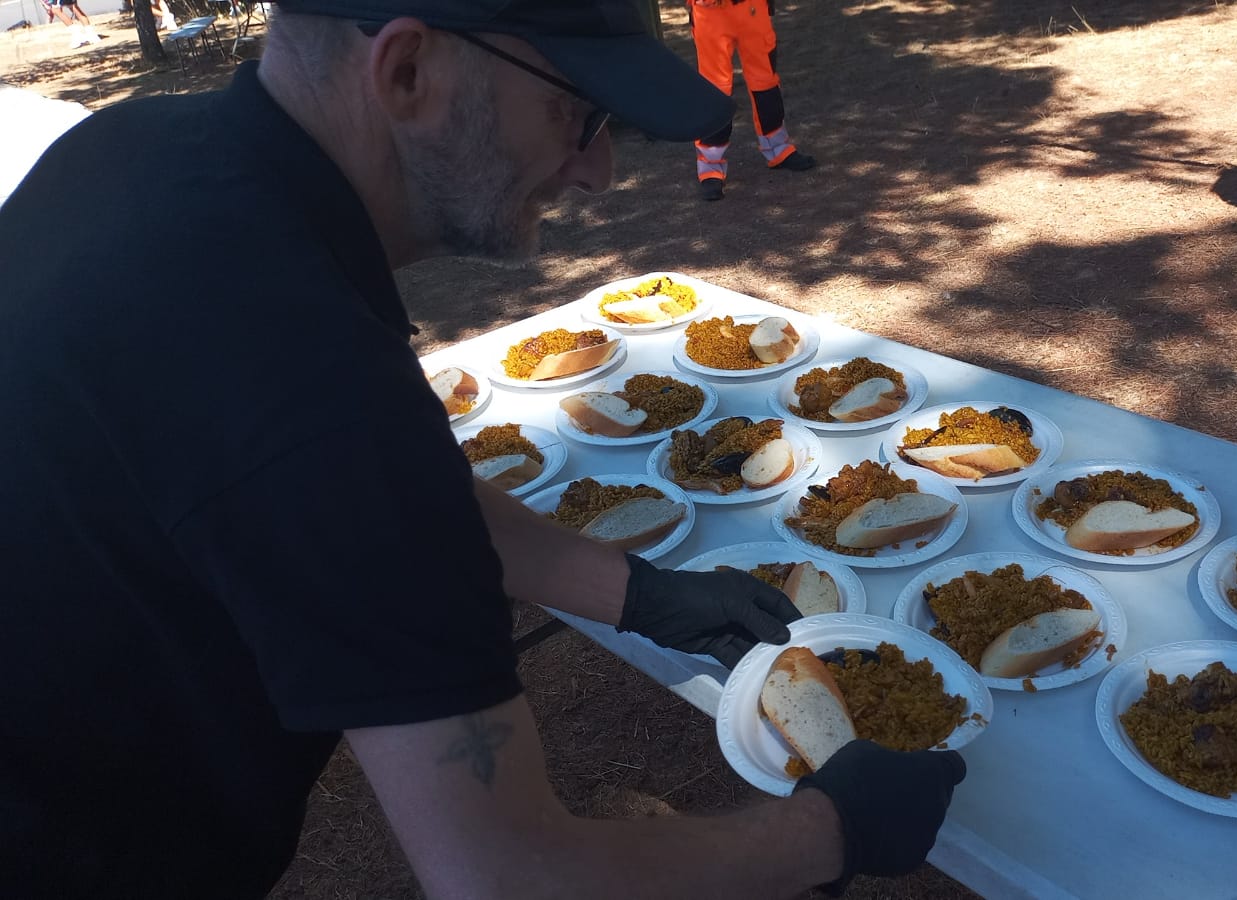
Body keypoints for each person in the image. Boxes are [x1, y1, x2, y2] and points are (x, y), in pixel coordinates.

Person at [0, 1, 965, 897]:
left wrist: (635, 592)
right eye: (574, 114)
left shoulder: (137, 151)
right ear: (409, 71)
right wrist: (831, 833)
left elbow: (395, 500)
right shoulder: (307, 375)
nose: (599, 171)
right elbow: (505, 875)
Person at [687, 0, 815, 201]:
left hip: (752, 9)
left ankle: (778, 148)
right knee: (715, 90)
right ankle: (710, 167)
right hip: (710, 11)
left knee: (765, 81)